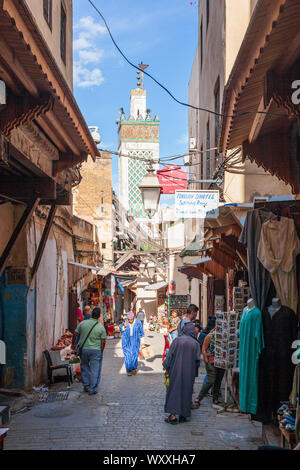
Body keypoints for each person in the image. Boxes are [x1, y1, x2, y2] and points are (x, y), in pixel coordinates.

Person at [163, 322, 201, 424]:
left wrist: (166, 367)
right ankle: (184, 415)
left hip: (176, 370)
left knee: (174, 391)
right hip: (189, 372)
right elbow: (197, 361)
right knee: (186, 392)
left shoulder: (177, 341)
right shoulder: (195, 344)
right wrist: (194, 373)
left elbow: (170, 356)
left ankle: (173, 416)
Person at [74, 307, 107, 395]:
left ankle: (86, 385)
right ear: (99, 316)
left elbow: (76, 333)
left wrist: (76, 344)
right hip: (96, 351)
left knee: (84, 366)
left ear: (92, 314)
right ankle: (92, 389)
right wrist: (101, 351)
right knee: (95, 370)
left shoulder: (82, 323)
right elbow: (103, 341)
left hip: (84, 349)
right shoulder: (101, 328)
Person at [191, 326, 225, 409]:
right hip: (211, 360)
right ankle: (199, 398)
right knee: (211, 380)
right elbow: (204, 348)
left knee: (218, 380)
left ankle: (215, 398)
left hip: (221, 361)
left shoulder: (225, 336)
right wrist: (206, 359)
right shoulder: (210, 335)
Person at [120, 312, 144, 376]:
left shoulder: (138, 322)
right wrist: (124, 327)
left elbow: (141, 332)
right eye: (129, 319)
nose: (130, 321)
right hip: (126, 341)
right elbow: (121, 329)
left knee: (135, 354)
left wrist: (143, 342)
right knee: (127, 355)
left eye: (131, 319)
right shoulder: (125, 321)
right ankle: (128, 369)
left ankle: (133, 368)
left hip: (135, 340)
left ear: (134, 318)